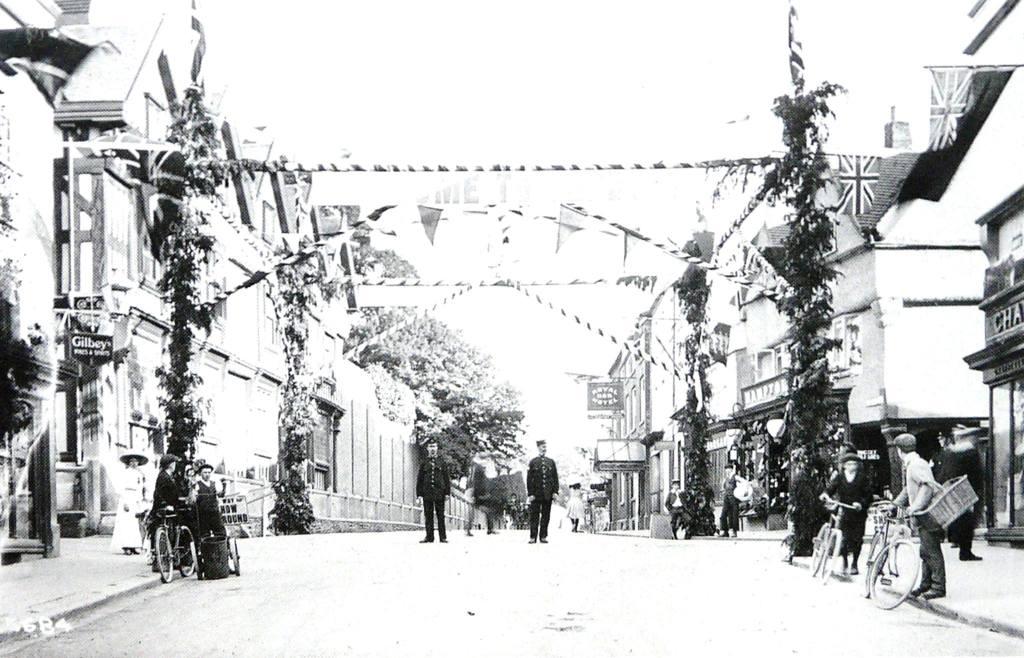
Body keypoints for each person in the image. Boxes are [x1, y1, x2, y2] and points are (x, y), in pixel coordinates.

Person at [892, 433, 946, 600]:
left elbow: (927, 487)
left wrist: (914, 507)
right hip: (923, 515)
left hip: (927, 514)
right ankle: (926, 584)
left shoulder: (916, 465)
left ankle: (938, 587)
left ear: (900, 450)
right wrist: (895, 505)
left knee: (931, 550)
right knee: (925, 551)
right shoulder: (914, 464)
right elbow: (909, 489)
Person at [937, 426, 985, 562]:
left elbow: (944, 473)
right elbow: (977, 475)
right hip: (968, 491)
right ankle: (965, 551)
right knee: (967, 521)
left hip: (955, 490)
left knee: (960, 519)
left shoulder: (951, 452)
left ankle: (958, 543)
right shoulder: (970, 452)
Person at [820, 453, 872, 575]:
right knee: (843, 538)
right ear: (844, 466)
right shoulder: (840, 477)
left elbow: (869, 494)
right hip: (844, 511)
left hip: (858, 513)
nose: (851, 466)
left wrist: (861, 503)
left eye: (854, 464)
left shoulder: (862, 477)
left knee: (857, 539)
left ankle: (854, 563)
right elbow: (831, 488)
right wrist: (826, 494)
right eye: (848, 464)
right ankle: (844, 561)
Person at [110, 452, 149, 555]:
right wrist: (124, 502)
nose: (134, 463)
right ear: (128, 462)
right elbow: (121, 488)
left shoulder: (139, 474)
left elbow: (140, 488)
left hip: (135, 498)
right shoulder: (125, 473)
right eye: (131, 461)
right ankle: (125, 546)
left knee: (134, 523)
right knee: (125, 522)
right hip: (126, 497)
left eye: (136, 461)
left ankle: (134, 545)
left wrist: (140, 500)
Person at [416, 440, 450, 543]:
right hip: (427, 492)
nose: (432, 449)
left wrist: (447, 493)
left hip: (439, 492)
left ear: (437, 448)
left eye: (434, 446)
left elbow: (446, 478)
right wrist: (419, 494)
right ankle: (429, 537)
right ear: (427, 449)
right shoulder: (424, 463)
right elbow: (420, 479)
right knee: (428, 515)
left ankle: (442, 537)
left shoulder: (442, 462)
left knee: (440, 515)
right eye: (430, 446)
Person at [527, 439, 559, 544]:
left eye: (545, 446)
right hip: (536, 494)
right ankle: (533, 536)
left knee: (546, 516)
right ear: (538, 447)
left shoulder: (551, 462)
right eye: (542, 447)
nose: (544, 448)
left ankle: (543, 536)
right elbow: (529, 479)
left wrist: (555, 492)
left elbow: (555, 478)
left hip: (547, 494)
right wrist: (530, 494)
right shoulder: (533, 462)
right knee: (534, 516)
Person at [465, 452, 498, 536]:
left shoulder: (474, 466)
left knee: (478, 510)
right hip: (476, 491)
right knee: (485, 510)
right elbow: (478, 481)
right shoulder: (478, 467)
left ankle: (468, 529)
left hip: (473, 490)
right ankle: (489, 529)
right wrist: (479, 493)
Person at [194, 460, 226, 540]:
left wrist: (224, 486)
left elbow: (220, 495)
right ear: (200, 473)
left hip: (214, 513)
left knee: (220, 533)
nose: (207, 475)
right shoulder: (197, 485)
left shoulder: (214, 484)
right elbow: (193, 499)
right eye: (205, 472)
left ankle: (221, 550)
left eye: (209, 472)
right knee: (205, 536)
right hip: (203, 514)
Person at [720, 463, 742, 538]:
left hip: (734, 497)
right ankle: (724, 530)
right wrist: (723, 491)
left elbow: (743, 482)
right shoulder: (725, 478)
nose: (727, 470)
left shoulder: (735, 477)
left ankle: (734, 531)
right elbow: (723, 487)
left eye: (728, 469)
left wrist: (740, 491)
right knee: (723, 514)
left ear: (731, 469)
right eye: (726, 469)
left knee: (733, 515)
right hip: (726, 497)